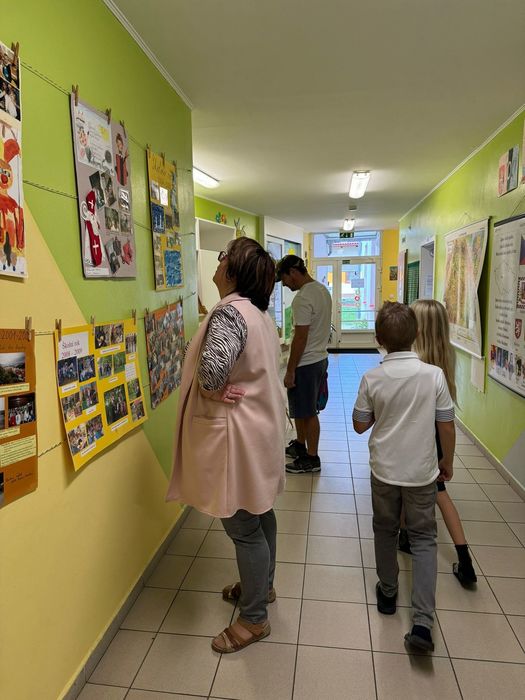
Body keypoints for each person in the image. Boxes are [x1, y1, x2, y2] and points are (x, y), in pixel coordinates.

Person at [166, 237, 286, 654]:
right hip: (259, 433)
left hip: (237, 439)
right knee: (260, 510)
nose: (216, 264)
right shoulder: (258, 314)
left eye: (222, 258)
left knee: (243, 526)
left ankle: (254, 619)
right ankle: (261, 588)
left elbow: (212, 373)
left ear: (232, 272)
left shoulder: (230, 314)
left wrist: (212, 390)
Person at [353, 301, 455, 652]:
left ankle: (388, 592)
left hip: (384, 471)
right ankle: (423, 622)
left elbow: (359, 425)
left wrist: (378, 412)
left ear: (379, 339)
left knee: (385, 529)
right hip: (422, 472)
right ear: (416, 335)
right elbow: (446, 425)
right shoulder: (434, 375)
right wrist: (447, 461)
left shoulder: (372, 378)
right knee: (424, 538)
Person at [398, 299, 477, 586]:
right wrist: (448, 459)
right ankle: (464, 559)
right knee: (438, 492)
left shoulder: (413, 363)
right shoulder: (445, 358)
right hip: (435, 438)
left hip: (415, 437)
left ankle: (407, 536)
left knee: (408, 485)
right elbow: (447, 424)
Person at [276, 255, 332, 473]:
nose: (284, 284)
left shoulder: (302, 298)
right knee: (300, 409)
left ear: (293, 272)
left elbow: (301, 337)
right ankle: (300, 445)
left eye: (284, 279)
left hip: (306, 363)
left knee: (308, 412)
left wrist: (290, 370)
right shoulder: (322, 290)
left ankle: (312, 458)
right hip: (319, 358)